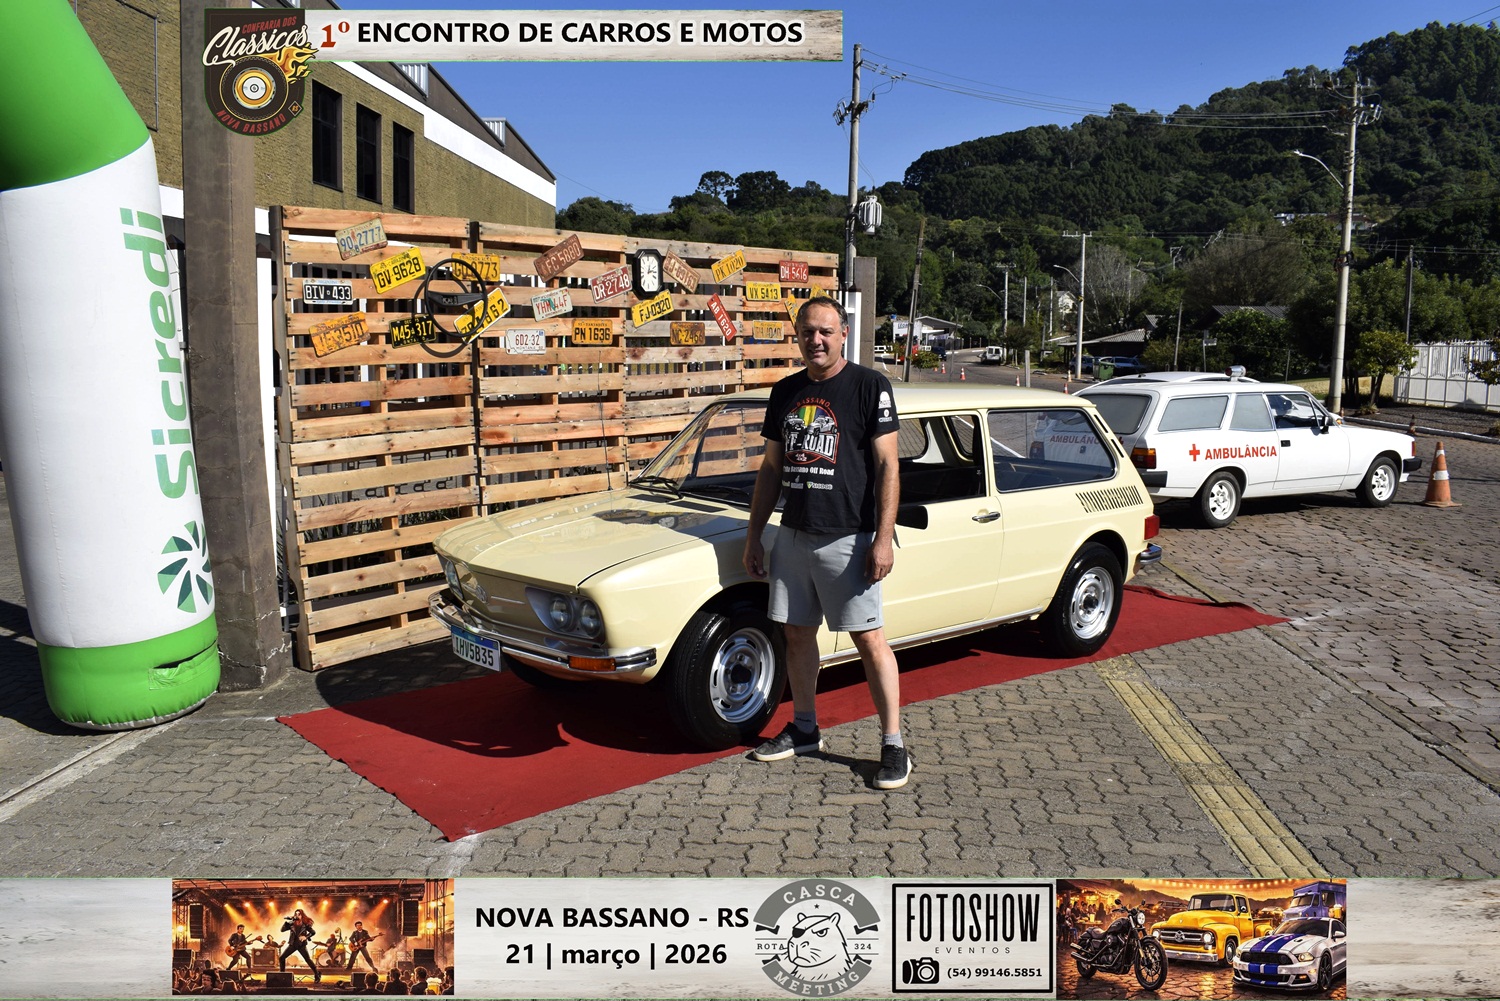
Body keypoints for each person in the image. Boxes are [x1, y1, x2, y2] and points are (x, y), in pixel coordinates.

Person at [743, 295, 910, 789]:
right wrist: (755, 534)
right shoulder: (785, 392)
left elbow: (888, 465)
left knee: (869, 639)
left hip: (849, 537)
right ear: (797, 336)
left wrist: (882, 539)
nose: (815, 340)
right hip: (794, 534)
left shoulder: (869, 386)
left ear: (843, 335)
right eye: (807, 332)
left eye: (825, 331)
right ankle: (804, 728)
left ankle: (894, 744)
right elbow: (771, 468)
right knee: (796, 634)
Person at [279, 908, 321, 984]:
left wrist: (306, 937)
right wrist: (287, 922)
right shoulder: (291, 923)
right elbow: (282, 930)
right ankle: (282, 976)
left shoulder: (305, 924)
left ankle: (317, 974)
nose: (297, 916)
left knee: (307, 959)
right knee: (282, 958)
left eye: (299, 914)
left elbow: (313, 932)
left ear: (302, 916)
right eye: (296, 914)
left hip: (301, 945)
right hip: (293, 944)